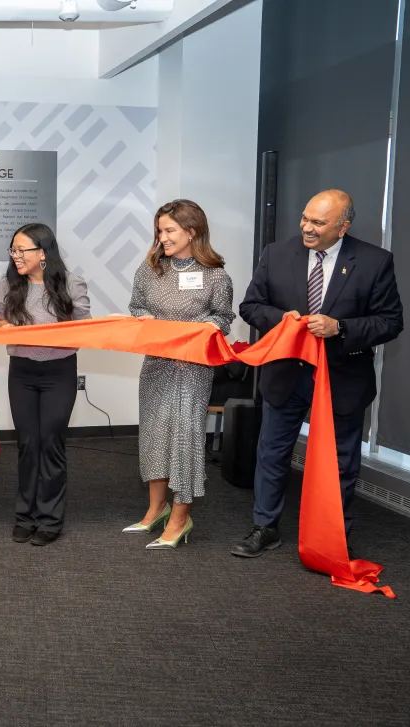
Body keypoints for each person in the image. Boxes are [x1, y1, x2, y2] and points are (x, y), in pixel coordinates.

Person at [231, 190, 403, 558]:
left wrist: (340, 327)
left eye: (318, 223)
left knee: (340, 462)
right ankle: (264, 527)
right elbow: (251, 307)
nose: (307, 228)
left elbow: (390, 322)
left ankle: (335, 536)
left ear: (343, 227)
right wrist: (282, 320)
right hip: (286, 374)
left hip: (342, 378)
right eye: (305, 219)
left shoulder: (374, 261)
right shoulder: (277, 254)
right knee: (272, 453)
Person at [126, 199, 234, 549]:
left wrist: (204, 327)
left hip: (192, 369)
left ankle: (181, 517)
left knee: (184, 439)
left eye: (169, 230)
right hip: (156, 364)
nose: (162, 237)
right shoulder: (150, 269)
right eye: (159, 230)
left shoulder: (215, 274)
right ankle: (156, 509)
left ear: (192, 231)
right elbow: (137, 306)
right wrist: (144, 319)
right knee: (154, 435)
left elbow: (223, 318)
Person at [0, 223, 91, 546]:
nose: (16, 256)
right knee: (27, 444)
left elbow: (83, 330)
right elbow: (1, 321)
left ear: (44, 253)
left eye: (22, 250)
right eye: (13, 250)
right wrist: (6, 328)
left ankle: (50, 519)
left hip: (58, 372)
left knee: (51, 443)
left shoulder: (72, 284)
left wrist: (41, 332)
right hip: (21, 372)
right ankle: (25, 516)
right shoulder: (8, 284)